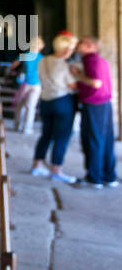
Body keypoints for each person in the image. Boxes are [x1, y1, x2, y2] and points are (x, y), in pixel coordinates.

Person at [70, 37, 118, 189]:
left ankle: (94, 178)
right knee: (106, 139)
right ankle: (109, 176)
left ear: (90, 46)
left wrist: (76, 74)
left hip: (94, 104)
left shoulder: (90, 60)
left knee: (93, 140)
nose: (77, 46)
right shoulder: (100, 60)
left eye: (81, 43)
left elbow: (96, 83)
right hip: (104, 103)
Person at [31, 31, 79, 184]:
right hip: (62, 101)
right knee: (62, 137)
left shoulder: (43, 61)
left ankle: (36, 165)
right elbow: (72, 85)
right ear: (66, 49)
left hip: (46, 101)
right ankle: (56, 169)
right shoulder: (65, 65)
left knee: (46, 134)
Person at [9, 36, 43, 133]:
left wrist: (14, 71)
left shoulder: (25, 55)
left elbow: (13, 65)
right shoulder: (42, 58)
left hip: (24, 83)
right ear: (41, 46)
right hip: (37, 84)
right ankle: (27, 128)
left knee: (20, 105)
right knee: (31, 107)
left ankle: (17, 125)